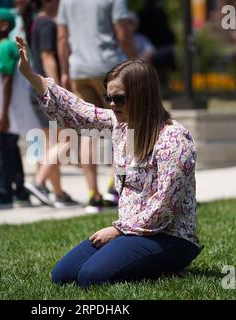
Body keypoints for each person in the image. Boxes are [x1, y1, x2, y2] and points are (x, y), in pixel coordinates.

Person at [16, 36, 203, 288]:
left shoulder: (174, 139)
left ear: (142, 96)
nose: (112, 105)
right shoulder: (121, 124)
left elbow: (164, 208)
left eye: (120, 98)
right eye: (109, 98)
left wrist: (118, 231)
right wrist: (30, 75)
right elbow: (79, 111)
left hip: (170, 236)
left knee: (90, 278)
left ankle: (168, 264)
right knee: (63, 274)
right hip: (129, 231)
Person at [57, 0, 135, 213]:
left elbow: (62, 38)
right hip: (109, 68)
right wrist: (136, 64)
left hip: (78, 69)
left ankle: (93, 194)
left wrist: (64, 71)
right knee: (123, 126)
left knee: (87, 132)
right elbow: (123, 33)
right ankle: (115, 185)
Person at [20, 0, 78, 208]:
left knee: (51, 144)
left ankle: (58, 193)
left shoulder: (37, 22)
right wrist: (56, 91)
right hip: (45, 90)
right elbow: (47, 56)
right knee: (68, 141)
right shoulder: (47, 24)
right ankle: (39, 183)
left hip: (37, 89)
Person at [0, 8, 29, 210]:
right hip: (12, 110)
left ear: (4, 26)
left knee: (3, 150)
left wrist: (3, 113)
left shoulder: (3, 47)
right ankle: (20, 191)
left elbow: (7, 80)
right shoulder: (7, 45)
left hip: (5, 110)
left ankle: (3, 194)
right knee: (12, 149)